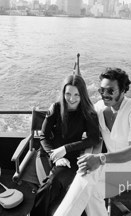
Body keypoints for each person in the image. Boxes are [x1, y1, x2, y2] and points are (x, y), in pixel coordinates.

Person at [53, 67, 131, 216]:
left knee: (88, 171)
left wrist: (100, 158)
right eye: (102, 91)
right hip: (117, 169)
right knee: (90, 193)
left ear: (123, 90)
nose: (105, 95)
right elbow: (79, 119)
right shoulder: (99, 109)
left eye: (110, 91)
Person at [30, 74, 100, 216]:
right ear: (63, 93)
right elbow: (43, 136)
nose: (71, 99)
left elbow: (94, 138)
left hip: (70, 156)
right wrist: (54, 155)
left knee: (53, 184)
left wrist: (65, 149)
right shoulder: (56, 107)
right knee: (50, 185)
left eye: (76, 95)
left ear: (82, 95)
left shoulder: (87, 112)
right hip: (48, 152)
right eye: (68, 94)